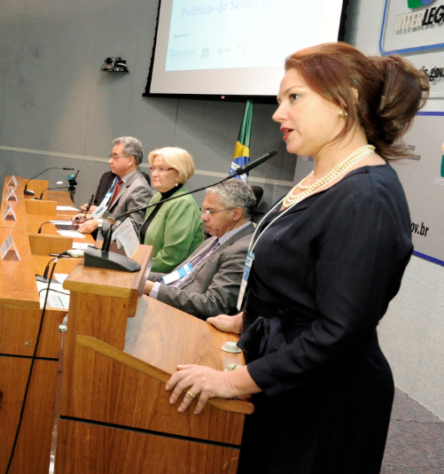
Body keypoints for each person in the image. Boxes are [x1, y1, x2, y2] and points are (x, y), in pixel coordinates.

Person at [162, 43, 430, 474]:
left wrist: (231, 381)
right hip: (286, 377)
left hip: (325, 403)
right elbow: (301, 277)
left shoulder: (367, 197)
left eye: (294, 97)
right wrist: (252, 318)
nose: (277, 114)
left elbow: (338, 333)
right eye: (279, 100)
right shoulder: (323, 176)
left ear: (348, 101)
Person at [143, 179, 255, 319]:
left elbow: (214, 304)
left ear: (236, 214)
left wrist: (151, 288)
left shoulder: (242, 249)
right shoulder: (216, 238)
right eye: (204, 210)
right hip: (171, 304)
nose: (203, 218)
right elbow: (176, 277)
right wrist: (140, 273)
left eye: (211, 211)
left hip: (186, 319)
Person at [138, 147, 203, 274]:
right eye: (153, 168)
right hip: (148, 269)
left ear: (178, 174)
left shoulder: (183, 204)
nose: (154, 173)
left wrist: (139, 267)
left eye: (161, 169)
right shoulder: (158, 197)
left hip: (168, 278)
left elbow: (172, 258)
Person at [73, 136, 153, 235]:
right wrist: (93, 216)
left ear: (130, 160)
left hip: (114, 247)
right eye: (110, 156)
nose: (110, 161)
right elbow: (113, 216)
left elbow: (133, 228)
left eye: (115, 157)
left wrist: (99, 223)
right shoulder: (123, 180)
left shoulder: (139, 188)